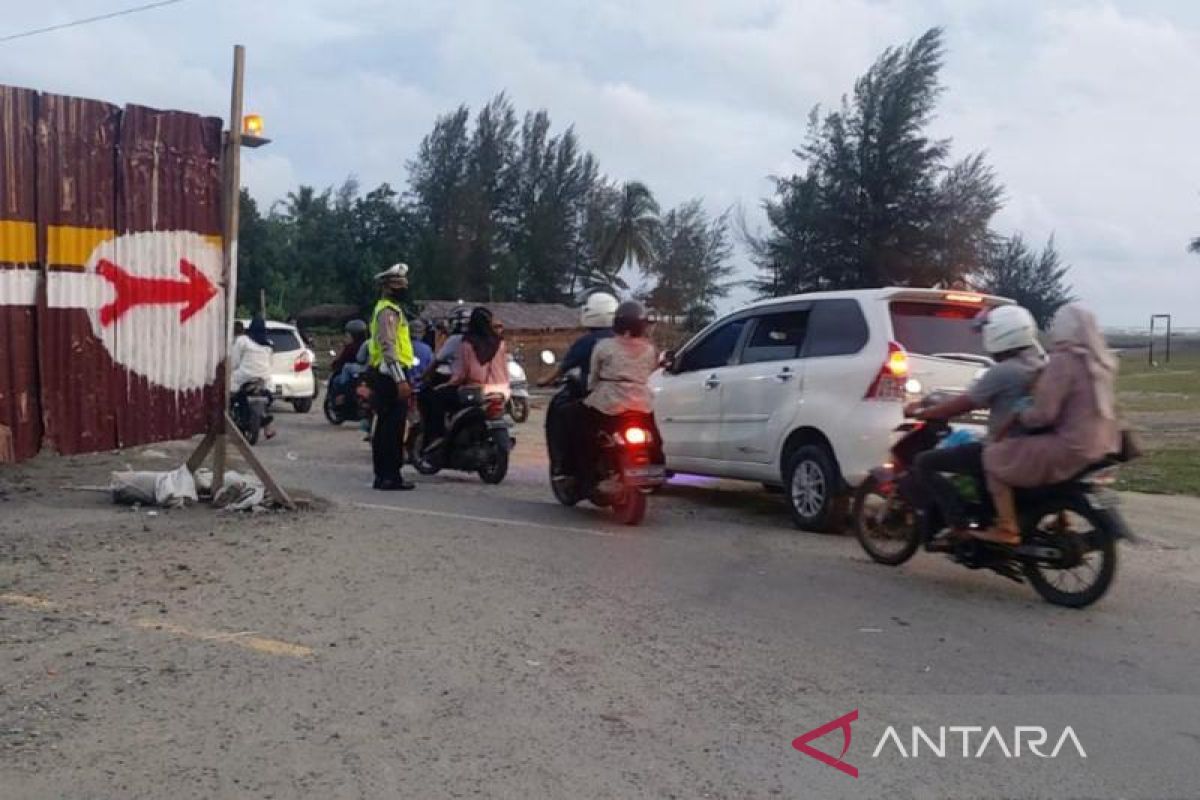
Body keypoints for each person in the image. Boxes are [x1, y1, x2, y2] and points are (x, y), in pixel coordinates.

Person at [978, 304, 1120, 545]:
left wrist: (1022, 413)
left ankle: (1007, 527)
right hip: (1103, 444)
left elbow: (1044, 415)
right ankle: (1061, 517)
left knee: (993, 456)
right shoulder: (1101, 362)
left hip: (1070, 446)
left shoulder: (1063, 361)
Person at [907, 305, 1044, 541]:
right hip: (1030, 446)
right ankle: (985, 516)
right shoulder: (1038, 364)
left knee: (924, 462)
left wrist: (926, 413)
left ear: (999, 334)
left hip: (1003, 446)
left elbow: (964, 403)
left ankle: (958, 525)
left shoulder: (1003, 372)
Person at [571, 300, 661, 492]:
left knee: (583, 433)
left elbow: (593, 376)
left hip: (609, 402)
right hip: (641, 403)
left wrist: (591, 390)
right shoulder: (649, 349)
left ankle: (588, 478)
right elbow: (651, 371)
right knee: (655, 440)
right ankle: (655, 475)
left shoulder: (604, 346)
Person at [540, 291, 619, 477]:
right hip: (631, 399)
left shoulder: (586, 342)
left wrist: (544, 381)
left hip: (595, 399)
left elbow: (563, 368)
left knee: (563, 413)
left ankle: (565, 464)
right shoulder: (625, 341)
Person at [422, 306, 510, 453]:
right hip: (502, 391)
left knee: (435, 397)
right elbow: (505, 368)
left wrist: (448, 384)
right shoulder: (500, 343)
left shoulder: (467, 343)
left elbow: (461, 374)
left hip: (476, 390)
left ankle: (436, 437)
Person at [367, 263, 417, 491]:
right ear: (387, 287)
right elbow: (388, 347)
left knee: (387, 427)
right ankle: (389, 476)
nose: (403, 288)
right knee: (391, 429)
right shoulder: (388, 311)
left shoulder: (390, 309)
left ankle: (386, 475)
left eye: (404, 284)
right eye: (399, 284)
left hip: (388, 375)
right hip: (391, 376)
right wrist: (401, 380)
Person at [230, 316, 276, 440]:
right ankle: (266, 423)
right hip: (264, 380)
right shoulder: (269, 345)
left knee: (229, 397)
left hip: (243, 377)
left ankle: (228, 421)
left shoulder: (243, 340)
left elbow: (234, 362)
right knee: (267, 400)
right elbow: (271, 364)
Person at [331, 319, 369, 390]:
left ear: (353, 336)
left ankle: (340, 395)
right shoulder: (369, 344)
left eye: (347, 336)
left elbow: (337, 365)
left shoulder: (349, 348)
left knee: (335, 381)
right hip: (367, 375)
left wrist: (338, 356)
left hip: (352, 380)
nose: (345, 338)